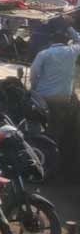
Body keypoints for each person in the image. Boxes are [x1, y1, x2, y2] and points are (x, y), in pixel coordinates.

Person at [29, 26, 80, 156]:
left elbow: (34, 74)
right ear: (66, 41)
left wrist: (34, 88)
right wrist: (69, 28)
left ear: (51, 41)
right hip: (63, 97)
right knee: (57, 124)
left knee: (39, 122)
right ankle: (54, 149)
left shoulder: (44, 53)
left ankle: (39, 148)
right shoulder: (72, 51)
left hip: (43, 96)